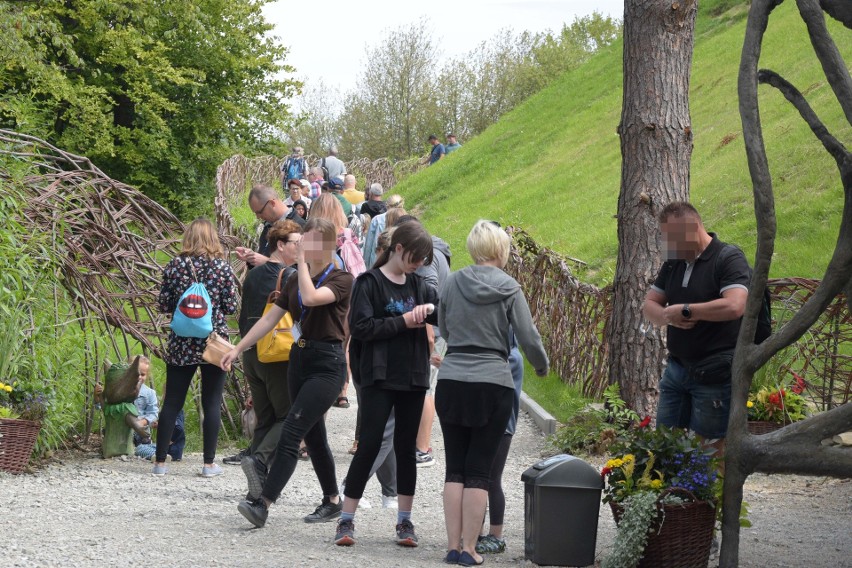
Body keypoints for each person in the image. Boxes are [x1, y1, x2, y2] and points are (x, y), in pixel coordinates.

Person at [221, 218, 353, 528]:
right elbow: (269, 320)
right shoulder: (294, 279)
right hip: (300, 358)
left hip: (327, 364)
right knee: (314, 434)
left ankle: (262, 503)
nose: (306, 247)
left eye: (314, 242)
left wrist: (303, 265)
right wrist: (238, 348)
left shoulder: (342, 278)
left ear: (330, 245)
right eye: (305, 241)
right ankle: (333, 500)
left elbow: (311, 299)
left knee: (292, 430)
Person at [436, 220, 548, 566]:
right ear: (501, 250)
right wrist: (541, 366)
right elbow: (528, 337)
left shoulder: (452, 282)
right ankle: (471, 549)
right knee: (480, 471)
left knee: (454, 468)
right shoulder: (510, 287)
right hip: (492, 382)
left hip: (452, 378)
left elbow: (443, 327)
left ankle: (453, 546)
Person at [334, 221, 439, 548]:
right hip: (379, 376)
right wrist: (405, 321)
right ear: (397, 249)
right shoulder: (369, 282)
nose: (418, 264)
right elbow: (362, 327)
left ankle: (404, 522)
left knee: (406, 450)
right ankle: (346, 520)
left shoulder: (420, 284)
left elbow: (443, 313)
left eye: (423, 259)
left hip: (413, 376)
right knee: (368, 445)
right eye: (414, 257)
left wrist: (432, 310)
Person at [643, 201, 749, 452]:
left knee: (710, 449)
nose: (667, 244)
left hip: (714, 372)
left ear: (694, 229)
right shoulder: (674, 262)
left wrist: (688, 310)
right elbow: (649, 305)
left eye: (672, 238)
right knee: (665, 444)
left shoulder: (728, 258)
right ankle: (672, 491)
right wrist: (669, 316)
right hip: (677, 369)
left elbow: (735, 306)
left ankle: (707, 493)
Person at [155, 217, 238, 477]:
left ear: (188, 237)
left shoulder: (175, 265)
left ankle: (159, 463)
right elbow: (231, 307)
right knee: (212, 402)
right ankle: (208, 464)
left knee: (172, 402)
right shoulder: (222, 268)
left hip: (181, 342)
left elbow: (164, 304)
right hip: (214, 341)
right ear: (213, 238)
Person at [237, 220, 301, 500]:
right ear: (280, 245)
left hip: (251, 355)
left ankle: (256, 482)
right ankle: (259, 461)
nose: (301, 248)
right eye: (296, 243)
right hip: (276, 355)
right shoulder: (288, 276)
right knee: (286, 417)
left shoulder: (252, 275)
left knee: (265, 419)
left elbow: (242, 317)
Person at [475, 331, 523, 555]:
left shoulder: (511, 358)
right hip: (488, 424)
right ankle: (478, 532)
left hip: (502, 427)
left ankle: (496, 534)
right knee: (479, 481)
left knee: (492, 480)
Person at [235, 184, 305, 269]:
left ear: (272, 203)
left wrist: (268, 262)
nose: (258, 217)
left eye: (259, 212)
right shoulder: (268, 226)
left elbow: (308, 271)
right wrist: (252, 258)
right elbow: (263, 258)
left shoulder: (304, 227)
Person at [362, 194, 404, 268]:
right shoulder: (408, 220)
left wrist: (365, 264)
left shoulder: (377, 219)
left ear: (387, 206)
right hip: (399, 263)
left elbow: (369, 244)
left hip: (377, 261)